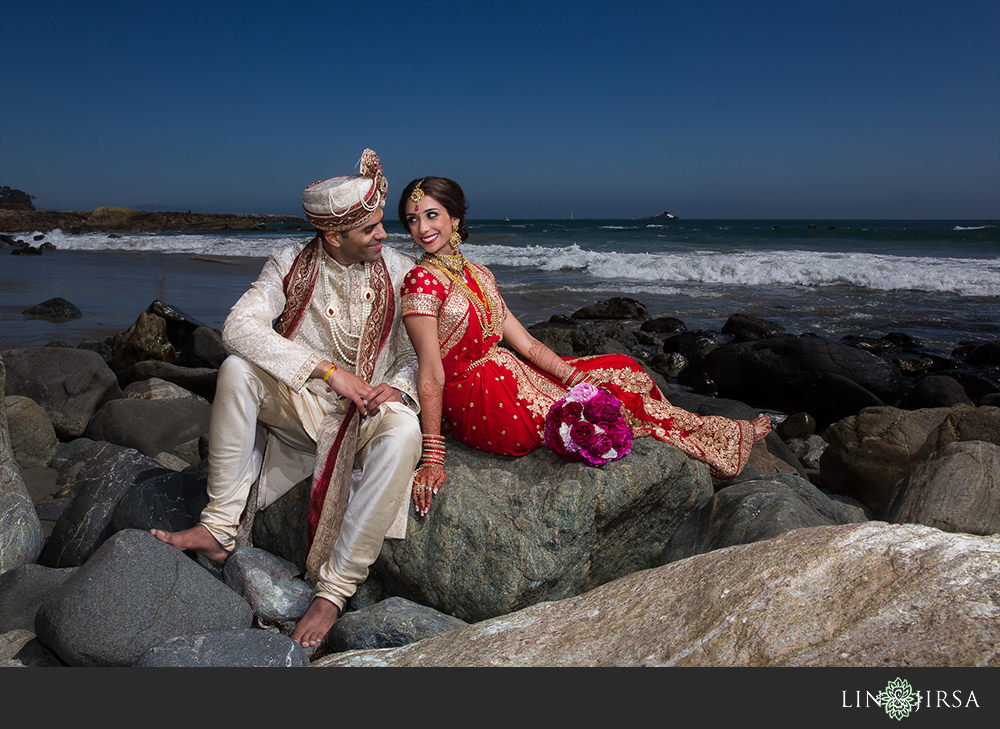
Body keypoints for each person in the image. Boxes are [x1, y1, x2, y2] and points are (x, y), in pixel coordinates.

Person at [153, 149, 421, 649]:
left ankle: (334, 589)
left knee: (405, 429)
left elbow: (414, 356)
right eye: (370, 230)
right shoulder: (289, 263)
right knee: (236, 369)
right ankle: (218, 526)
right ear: (333, 235)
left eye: (382, 225)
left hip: (368, 412)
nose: (384, 236)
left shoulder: (402, 270)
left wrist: (398, 387)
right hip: (305, 404)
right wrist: (326, 371)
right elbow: (238, 327)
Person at [398, 176, 771, 516]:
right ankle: (720, 441)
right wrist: (433, 455)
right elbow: (431, 371)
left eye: (432, 215)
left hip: (509, 371)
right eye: (413, 220)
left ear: (456, 220)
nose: (423, 228)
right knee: (607, 408)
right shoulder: (421, 282)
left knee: (622, 369)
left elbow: (525, 343)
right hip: (481, 400)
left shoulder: (478, 273)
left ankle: (709, 439)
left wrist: (573, 375)